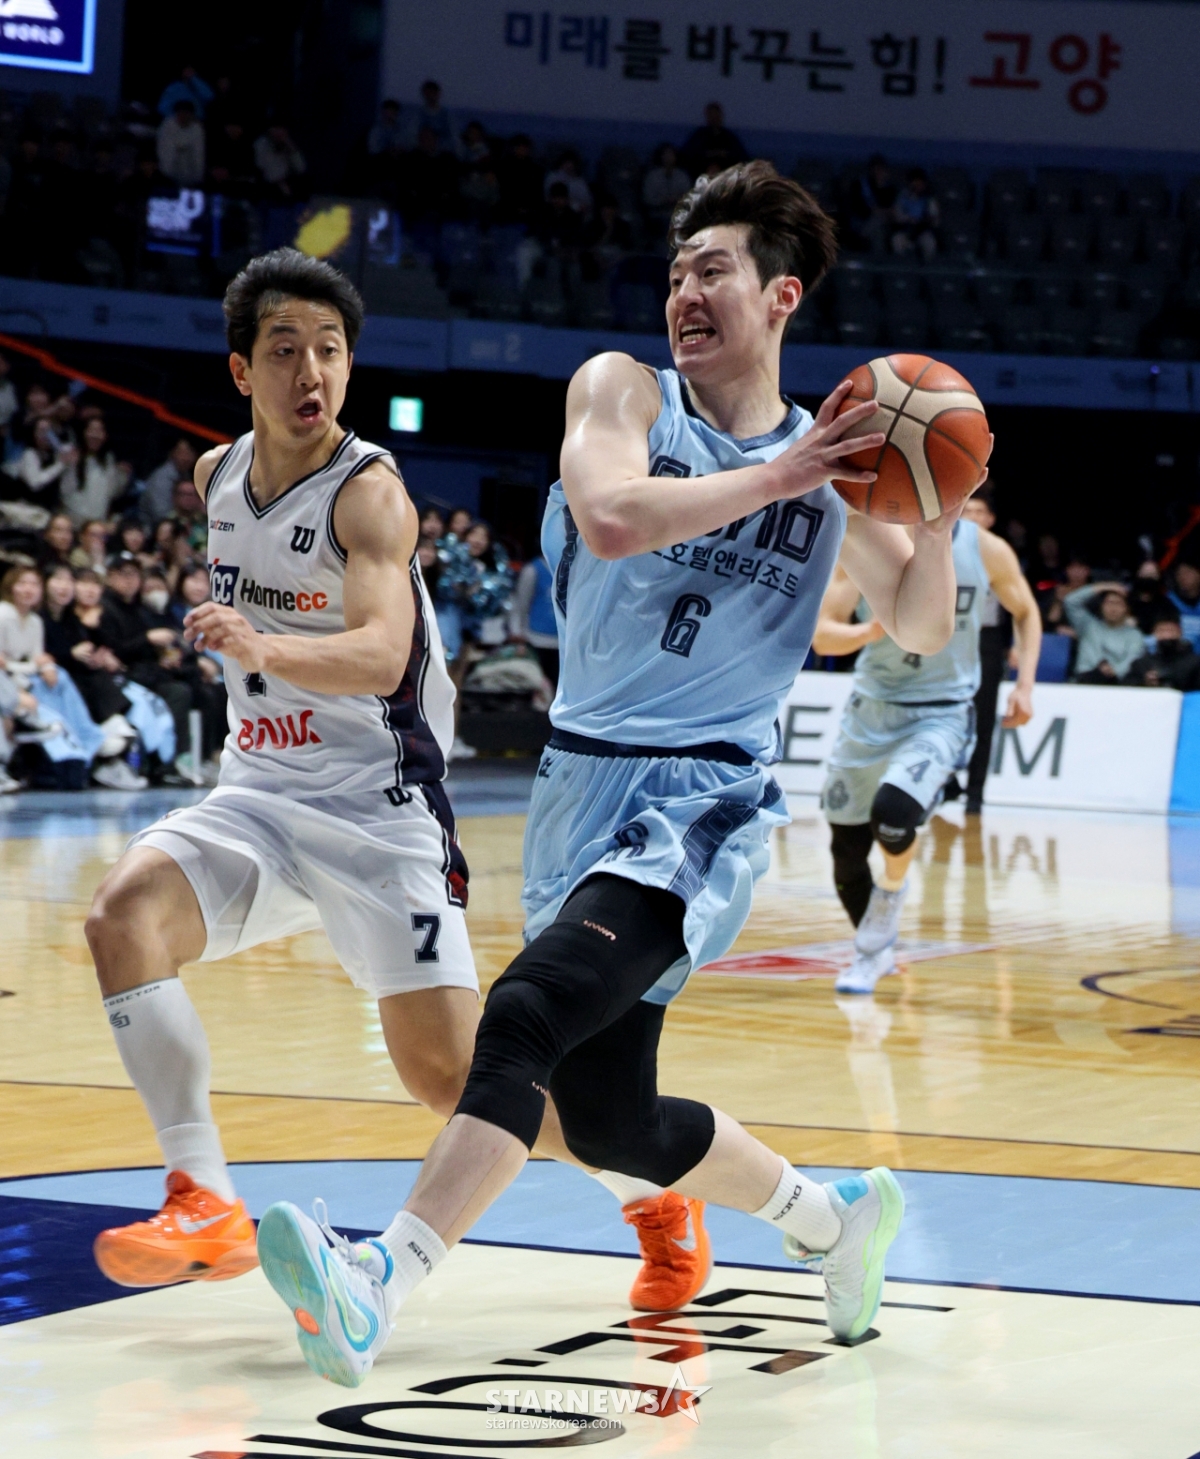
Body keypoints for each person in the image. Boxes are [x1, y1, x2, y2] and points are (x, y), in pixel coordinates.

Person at [253, 161, 968, 1387]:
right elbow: (613, 516)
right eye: (677, 270)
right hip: (578, 782)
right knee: (609, 1119)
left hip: (702, 797)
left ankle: (375, 1282)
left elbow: (918, 621)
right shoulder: (624, 392)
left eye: (714, 270)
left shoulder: (832, 463)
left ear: (781, 295)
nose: (685, 291)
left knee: (524, 1015)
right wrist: (792, 473)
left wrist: (938, 511)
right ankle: (834, 1218)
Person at [81, 247, 484, 1292]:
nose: (311, 371)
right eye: (285, 349)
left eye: (330, 350)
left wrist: (264, 645)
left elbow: (384, 655)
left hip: (380, 810)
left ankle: (647, 1187)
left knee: (454, 1079)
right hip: (258, 794)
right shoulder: (216, 477)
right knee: (122, 915)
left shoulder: (370, 495)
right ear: (241, 370)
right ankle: (203, 1196)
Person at [814, 491, 1039, 994]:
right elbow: (824, 636)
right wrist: (875, 629)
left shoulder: (986, 549)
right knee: (846, 850)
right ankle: (878, 948)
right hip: (872, 708)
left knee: (894, 815)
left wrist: (1025, 683)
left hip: (942, 710)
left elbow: (1026, 611)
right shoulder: (867, 541)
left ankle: (886, 906)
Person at [960, 485, 1009, 814]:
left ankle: (975, 791)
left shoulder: (1000, 553)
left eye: (980, 512)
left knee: (984, 716)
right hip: (950, 636)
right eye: (969, 511)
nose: (974, 517)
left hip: (988, 639)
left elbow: (1019, 608)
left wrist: (1013, 646)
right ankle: (944, 781)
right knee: (940, 710)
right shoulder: (944, 545)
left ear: (990, 519)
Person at [1063, 581, 1145, 683]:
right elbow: (1070, 601)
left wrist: (1114, 670)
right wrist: (1104, 587)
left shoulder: (1134, 635)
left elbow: (1133, 658)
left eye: (1118, 603)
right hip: (1084, 681)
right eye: (1109, 603)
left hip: (1116, 683)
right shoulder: (1087, 625)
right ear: (1101, 606)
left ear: (1126, 609)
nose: (1113, 608)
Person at [60, 414, 132, 526]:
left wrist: (122, 476)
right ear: (83, 432)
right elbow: (65, 490)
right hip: (72, 520)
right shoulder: (70, 452)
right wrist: (67, 463)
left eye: (99, 431)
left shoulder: (108, 459)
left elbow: (111, 493)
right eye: (91, 430)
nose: (95, 435)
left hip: (97, 522)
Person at [508, 551, 559, 689]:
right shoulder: (533, 570)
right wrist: (517, 633)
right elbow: (520, 604)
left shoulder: (574, 569)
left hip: (563, 643)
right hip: (536, 640)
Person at [1128, 608, 1200, 690]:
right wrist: (1145, 682)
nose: (1167, 636)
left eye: (1171, 630)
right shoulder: (1142, 664)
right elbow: (1127, 688)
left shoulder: (1195, 663)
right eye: (1162, 631)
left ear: (1180, 632)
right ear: (1154, 633)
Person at [681, 102, 746, 179]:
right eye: (711, 116)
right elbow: (688, 154)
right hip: (701, 174)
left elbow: (740, 156)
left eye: (716, 116)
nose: (714, 119)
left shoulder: (729, 137)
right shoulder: (699, 136)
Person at [140, 438, 197, 526]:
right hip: (152, 526)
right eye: (181, 453)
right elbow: (160, 513)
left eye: (189, 453)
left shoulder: (185, 475)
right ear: (172, 453)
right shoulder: (162, 477)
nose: (185, 458)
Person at [642, 143, 693, 231]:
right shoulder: (652, 176)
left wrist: (677, 200)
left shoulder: (682, 176)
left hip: (679, 214)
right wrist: (663, 201)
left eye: (671, 154)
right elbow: (647, 198)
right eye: (665, 155)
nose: (668, 158)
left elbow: (689, 196)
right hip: (657, 215)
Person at [157, 100, 206, 188]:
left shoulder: (197, 128)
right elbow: (164, 151)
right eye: (180, 113)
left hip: (189, 168)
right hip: (169, 169)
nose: (183, 116)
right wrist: (165, 174)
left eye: (186, 114)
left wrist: (198, 176)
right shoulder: (167, 125)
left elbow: (198, 153)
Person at [1166, 561, 1200, 651]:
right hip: (1178, 655)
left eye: (1188, 572)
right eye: (1179, 574)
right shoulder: (1167, 601)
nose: (1183, 577)